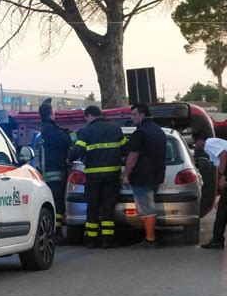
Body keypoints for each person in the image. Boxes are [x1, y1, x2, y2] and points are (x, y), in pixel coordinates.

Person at [67, 105, 126, 249]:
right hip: (112, 176)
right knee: (108, 208)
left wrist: (69, 159)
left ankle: (91, 240)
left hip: (93, 177)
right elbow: (125, 150)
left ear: (88, 116)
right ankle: (107, 240)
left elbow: (77, 150)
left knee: (92, 208)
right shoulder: (116, 129)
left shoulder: (86, 132)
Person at [121, 103, 166, 249]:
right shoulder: (159, 131)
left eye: (134, 114)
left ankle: (150, 239)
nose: (131, 117)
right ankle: (150, 237)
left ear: (142, 115)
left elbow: (133, 156)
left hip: (142, 177)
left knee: (146, 209)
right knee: (148, 207)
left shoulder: (140, 133)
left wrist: (126, 174)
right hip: (157, 175)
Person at [39, 101, 74, 244]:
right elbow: (65, 141)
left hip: (53, 171)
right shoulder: (49, 129)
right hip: (55, 172)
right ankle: (56, 232)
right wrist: (77, 135)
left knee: (58, 202)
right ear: (52, 114)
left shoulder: (49, 129)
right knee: (57, 203)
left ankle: (56, 230)